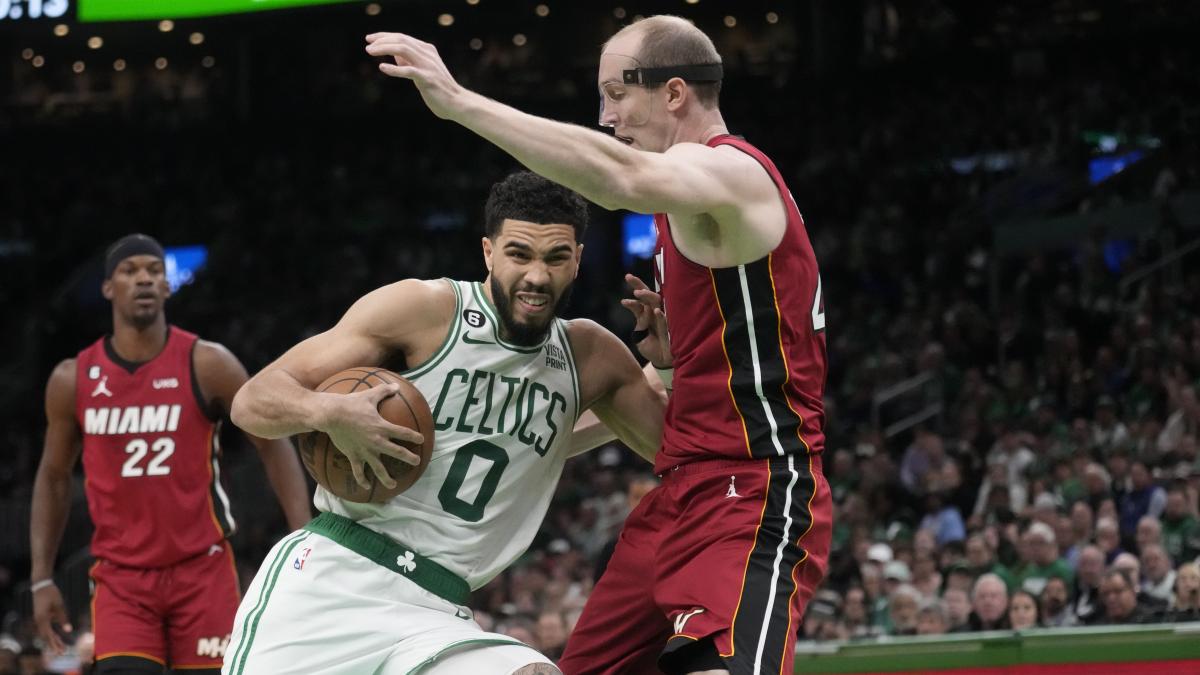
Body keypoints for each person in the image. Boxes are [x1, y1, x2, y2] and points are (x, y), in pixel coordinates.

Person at [366, 13, 832, 675]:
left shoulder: (734, 175)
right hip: (680, 490)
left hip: (755, 491)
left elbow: (620, 179)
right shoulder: (692, 218)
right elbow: (649, 393)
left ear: (673, 93)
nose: (607, 116)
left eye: (616, 94)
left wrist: (461, 103)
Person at [221, 173, 666, 675]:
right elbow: (252, 400)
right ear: (488, 252)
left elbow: (675, 449)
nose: (537, 276)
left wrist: (672, 365)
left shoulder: (591, 356)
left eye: (555, 258)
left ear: (578, 260)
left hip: (439, 610)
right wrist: (331, 413)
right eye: (520, 254)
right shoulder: (426, 311)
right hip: (334, 581)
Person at [30, 234, 312, 673]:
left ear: (167, 286)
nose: (143, 278)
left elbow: (272, 443)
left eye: (153, 271)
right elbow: (52, 477)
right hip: (121, 580)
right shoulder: (73, 379)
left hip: (202, 573)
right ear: (108, 287)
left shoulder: (208, 363)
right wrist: (42, 578)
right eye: (130, 271)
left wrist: (304, 541)